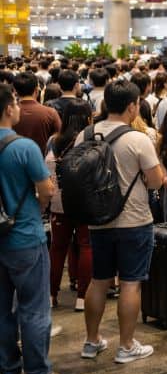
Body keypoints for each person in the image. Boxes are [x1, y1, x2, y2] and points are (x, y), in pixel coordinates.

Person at [78, 80, 164, 365]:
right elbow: (156, 182)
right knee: (130, 284)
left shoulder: (85, 135)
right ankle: (126, 345)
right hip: (133, 220)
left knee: (99, 280)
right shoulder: (138, 139)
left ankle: (91, 341)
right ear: (132, 106)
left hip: (98, 220)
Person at [0, 83, 78, 374]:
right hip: (24, 235)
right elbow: (46, 190)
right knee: (34, 308)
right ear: (8, 108)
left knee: (2, 307)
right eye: (16, 104)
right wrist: (39, 204)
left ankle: (7, 370)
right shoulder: (24, 147)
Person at [46, 99, 94, 312]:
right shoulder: (89, 140)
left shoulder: (53, 141)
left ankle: (51, 294)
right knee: (86, 246)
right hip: (84, 200)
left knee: (57, 248)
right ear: (88, 117)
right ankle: (82, 297)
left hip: (58, 200)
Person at [12, 71, 61, 156]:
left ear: (15, 91)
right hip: (41, 160)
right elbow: (59, 137)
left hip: (12, 161)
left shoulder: (7, 113)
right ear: (36, 90)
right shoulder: (50, 112)